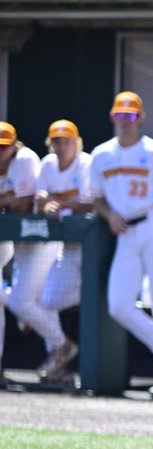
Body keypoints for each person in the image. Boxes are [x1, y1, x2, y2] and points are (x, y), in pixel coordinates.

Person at [90, 92, 153, 400]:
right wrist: (109, 215)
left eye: (131, 116)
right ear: (112, 117)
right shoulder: (101, 155)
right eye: (120, 116)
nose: (125, 122)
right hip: (125, 232)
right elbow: (96, 198)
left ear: (141, 118)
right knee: (119, 305)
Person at [14, 120, 91, 383]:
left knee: (102, 297)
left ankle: (60, 353)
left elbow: (89, 202)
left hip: (90, 249)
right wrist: (48, 204)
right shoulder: (48, 164)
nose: (61, 146)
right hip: (65, 250)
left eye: (66, 141)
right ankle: (60, 358)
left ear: (76, 143)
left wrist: (58, 203)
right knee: (45, 301)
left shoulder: (86, 163)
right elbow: (41, 198)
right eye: (57, 142)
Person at [0, 122, 42, 387]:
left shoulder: (25, 159)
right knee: (12, 300)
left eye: (4, 147)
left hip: (40, 241)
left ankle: (59, 348)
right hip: (10, 241)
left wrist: (8, 200)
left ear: (14, 146)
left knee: (33, 300)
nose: (0, 152)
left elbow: (24, 204)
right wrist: (7, 199)